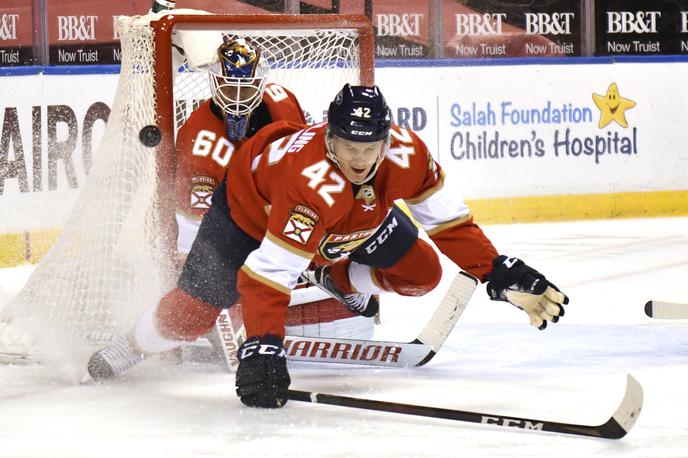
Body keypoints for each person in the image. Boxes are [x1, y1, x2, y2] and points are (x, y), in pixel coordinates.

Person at [87, 84, 568, 410]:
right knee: (192, 314)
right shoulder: (310, 184)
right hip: (247, 214)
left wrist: (496, 270)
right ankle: (129, 347)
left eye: (370, 147)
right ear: (328, 136)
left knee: (421, 272)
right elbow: (267, 274)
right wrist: (264, 348)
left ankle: (328, 273)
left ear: (387, 140)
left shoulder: (407, 154)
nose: (360, 159)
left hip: (342, 221)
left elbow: (447, 222)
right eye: (348, 146)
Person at [174, 37, 372, 342]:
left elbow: (308, 159)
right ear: (213, 83)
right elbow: (193, 223)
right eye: (228, 86)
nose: (238, 97)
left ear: (263, 82)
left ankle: (323, 270)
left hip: (278, 197)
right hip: (231, 218)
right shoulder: (197, 137)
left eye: (248, 86)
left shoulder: (282, 103)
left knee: (349, 203)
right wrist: (202, 281)